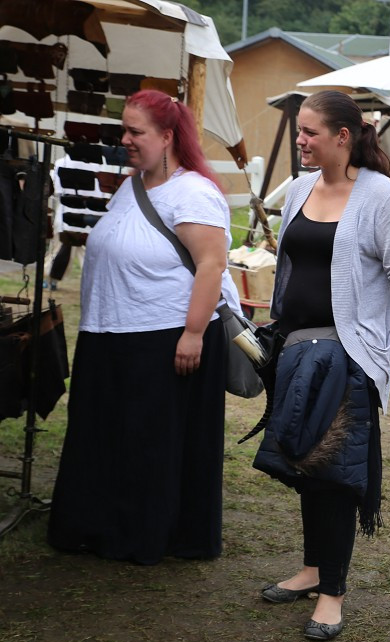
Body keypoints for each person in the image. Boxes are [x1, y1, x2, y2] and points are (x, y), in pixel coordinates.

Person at [254, 90, 390, 642]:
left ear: (343, 137)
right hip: (295, 352)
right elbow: (289, 266)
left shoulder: (380, 196)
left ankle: (332, 592)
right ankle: (312, 569)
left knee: (332, 473)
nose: (300, 141)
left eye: (309, 132)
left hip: (347, 356)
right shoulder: (301, 188)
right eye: (299, 131)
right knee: (306, 466)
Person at [47, 90, 243, 565]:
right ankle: (95, 527)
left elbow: (211, 266)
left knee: (147, 443)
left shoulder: (193, 192)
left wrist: (193, 333)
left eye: (136, 132)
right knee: (104, 435)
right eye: (125, 130)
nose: (126, 140)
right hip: (111, 332)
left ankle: (144, 535)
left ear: (168, 137)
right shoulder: (132, 185)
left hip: (164, 336)